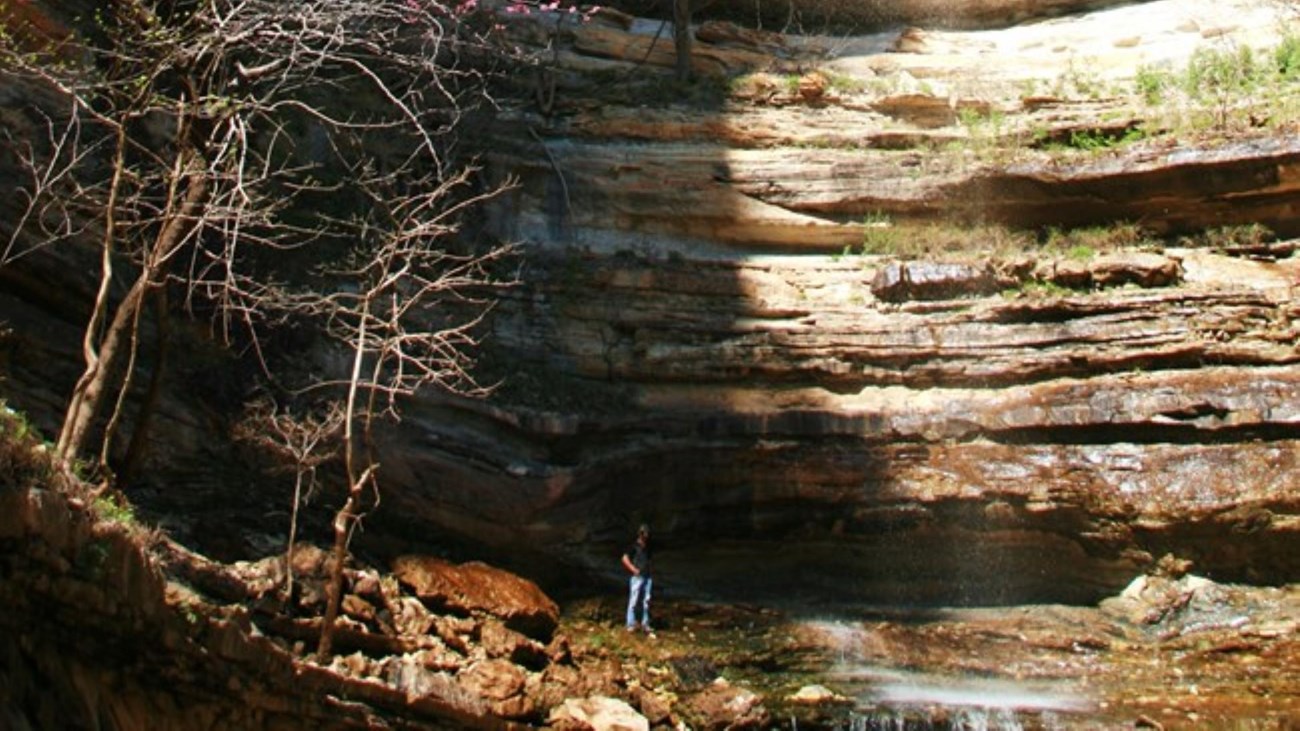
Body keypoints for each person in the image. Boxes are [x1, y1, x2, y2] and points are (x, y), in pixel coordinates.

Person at [621, 523, 654, 636]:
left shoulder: (648, 547)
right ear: (640, 534)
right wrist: (633, 569)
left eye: (647, 533)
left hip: (647, 576)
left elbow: (649, 560)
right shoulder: (634, 546)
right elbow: (624, 558)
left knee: (646, 601)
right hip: (637, 576)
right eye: (645, 533)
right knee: (634, 601)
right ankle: (630, 624)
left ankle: (645, 624)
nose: (646, 536)